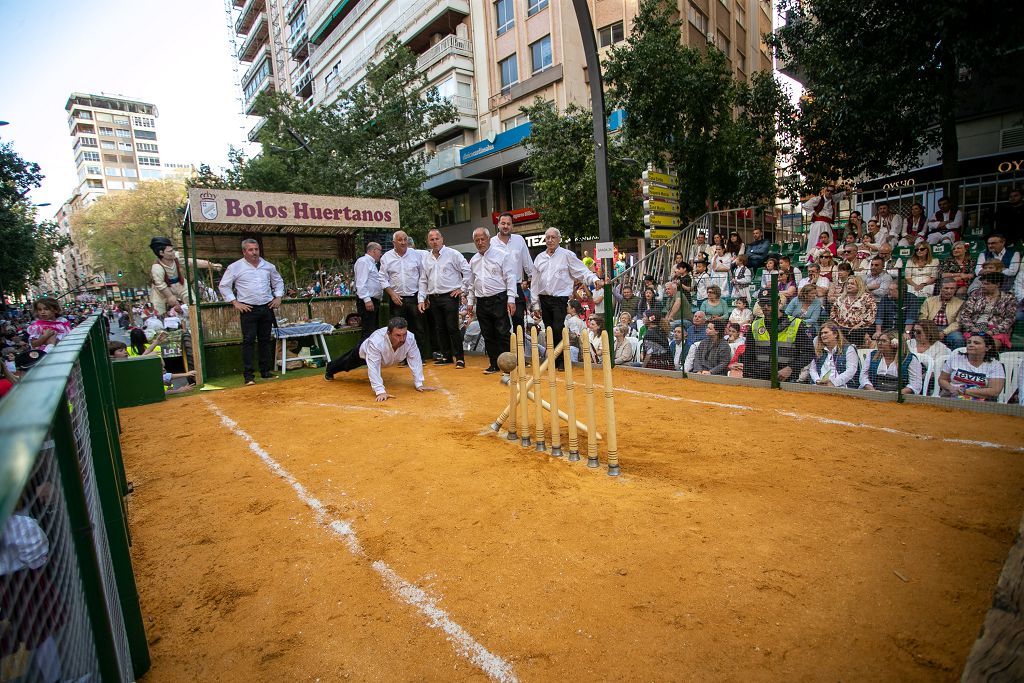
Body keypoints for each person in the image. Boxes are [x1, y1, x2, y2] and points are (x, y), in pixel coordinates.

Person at [217, 238, 285, 386]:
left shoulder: (268, 266)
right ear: (244, 251)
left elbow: (278, 281)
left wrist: (278, 296)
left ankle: (265, 371)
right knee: (248, 341)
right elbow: (224, 286)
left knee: (265, 340)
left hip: (266, 307)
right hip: (248, 308)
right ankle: (249, 375)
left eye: (256, 249)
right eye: (250, 250)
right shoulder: (235, 267)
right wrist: (235, 302)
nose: (254, 252)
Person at [531, 227, 603, 368]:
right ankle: (552, 360)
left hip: (560, 299)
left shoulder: (567, 255)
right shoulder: (539, 258)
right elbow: (534, 282)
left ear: (559, 239)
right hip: (544, 299)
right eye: (547, 237)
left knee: (558, 328)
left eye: (553, 237)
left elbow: (582, 271)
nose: (550, 240)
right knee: (549, 330)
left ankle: (562, 360)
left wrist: (594, 279)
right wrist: (535, 304)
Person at [323, 317, 435, 401]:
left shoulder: (410, 338)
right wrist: (380, 391)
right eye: (398, 335)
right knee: (346, 363)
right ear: (388, 333)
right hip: (364, 352)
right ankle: (330, 368)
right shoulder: (376, 342)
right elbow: (373, 367)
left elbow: (415, 359)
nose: (402, 339)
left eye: (404, 334)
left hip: (386, 358)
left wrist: (419, 383)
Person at [466, 227, 516, 374]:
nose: (480, 242)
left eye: (483, 239)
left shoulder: (502, 255)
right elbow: (471, 283)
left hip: (499, 298)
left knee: (502, 332)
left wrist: (511, 299)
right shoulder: (474, 260)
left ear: (489, 239)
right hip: (481, 300)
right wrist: (470, 302)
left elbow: (510, 278)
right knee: (488, 334)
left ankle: (507, 366)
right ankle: (493, 364)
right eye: (477, 240)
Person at [418, 229, 470, 368]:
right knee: (440, 328)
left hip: (450, 296)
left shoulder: (453, 254)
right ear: (428, 242)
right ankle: (446, 356)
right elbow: (423, 280)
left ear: (442, 239)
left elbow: (467, 271)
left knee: (452, 327)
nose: (434, 241)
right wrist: (421, 299)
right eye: (431, 239)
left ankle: (459, 358)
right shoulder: (426, 258)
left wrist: (462, 289)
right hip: (433, 297)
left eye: (437, 238)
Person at [742, 290, 814, 382]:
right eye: (762, 303)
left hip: (786, 379)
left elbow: (808, 353)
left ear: (779, 302)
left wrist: (791, 368)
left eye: (769, 303)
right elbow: (748, 355)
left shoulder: (796, 324)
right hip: (760, 378)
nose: (766, 307)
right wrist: (746, 378)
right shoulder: (755, 325)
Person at [148, 236, 222, 316]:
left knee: (193, 304)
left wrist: (211, 265)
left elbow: (191, 262)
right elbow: (161, 285)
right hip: (163, 290)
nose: (173, 252)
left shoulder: (176, 257)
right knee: (157, 311)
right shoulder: (156, 268)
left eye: (172, 250)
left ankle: (196, 321)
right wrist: (170, 296)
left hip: (180, 284)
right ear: (161, 253)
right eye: (170, 251)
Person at [379, 231, 426, 354]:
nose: (403, 242)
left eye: (405, 239)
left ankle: (419, 355)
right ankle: (401, 356)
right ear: (394, 242)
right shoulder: (386, 257)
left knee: (419, 327)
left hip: (414, 297)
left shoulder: (416, 255)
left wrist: (421, 298)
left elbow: (422, 277)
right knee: (398, 330)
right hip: (397, 298)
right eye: (400, 240)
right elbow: (382, 278)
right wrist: (392, 294)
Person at [491, 212, 533, 335]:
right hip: (498, 289)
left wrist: (532, 282)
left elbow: (528, 264)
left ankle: (520, 354)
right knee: (500, 324)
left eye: (508, 224)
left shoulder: (519, 240)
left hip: (516, 287)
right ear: (498, 225)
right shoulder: (491, 243)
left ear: (512, 226)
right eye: (503, 223)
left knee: (519, 323)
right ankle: (504, 353)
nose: (505, 226)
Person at [956, 272, 1016, 350]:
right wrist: (972, 328)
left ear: (997, 284)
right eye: (982, 283)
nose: (983, 286)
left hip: (996, 331)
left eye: (987, 284)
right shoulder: (975, 295)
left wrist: (993, 331)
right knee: (973, 344)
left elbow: (1009, 319)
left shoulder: (1008, 298)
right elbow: (964, 315)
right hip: (974, 329)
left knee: (990, 345)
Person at [938, 333, 1004, 401]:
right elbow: (942, 379)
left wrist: (965, 391)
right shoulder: (956, 358)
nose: (971, 345)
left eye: (976, 343)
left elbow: (995, 391)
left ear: (987, 348)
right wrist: (950, 388)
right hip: (952, 398)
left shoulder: (995, 365)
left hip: (981, 403)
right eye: (969, 342)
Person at [859, 329, 923, 394]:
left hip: (900, 396)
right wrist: (873, 391)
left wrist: (896, 394)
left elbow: (915, 384)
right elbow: (863, 377)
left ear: (895, 342)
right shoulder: (872, 355)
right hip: (874, 393)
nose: (879, 343)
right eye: (879, 341)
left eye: (884, 341)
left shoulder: (910, 359)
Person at [353, 242, 394, 342]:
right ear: (374, 250)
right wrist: (367, 299)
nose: (381, 254)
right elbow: (360, 283)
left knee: (373, 330)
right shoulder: (363, 261)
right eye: (380, 251)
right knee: (368, 331)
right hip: (367, 300)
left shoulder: (372, 264)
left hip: (374, 300)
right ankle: (363, 355)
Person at [809, 320, 860, 388]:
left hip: (842, 387)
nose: (823, 335)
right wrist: (817, 380)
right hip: (820, 386)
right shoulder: (818, 350)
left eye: (826, 332)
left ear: (835, 334)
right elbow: (812, 369)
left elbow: (851, 370)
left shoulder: (849, 349)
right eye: (821, 333)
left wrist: (834, 383)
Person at [801, 185, 848, 256]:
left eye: (831, 191)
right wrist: (814, 213)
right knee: (816, 241)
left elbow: (842, 194)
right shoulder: (818, 199)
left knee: (828, 242)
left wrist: (855, 191)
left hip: (827, 224)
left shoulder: (833, 199)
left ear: (833, 193)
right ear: (825, 191)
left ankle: (827, 257)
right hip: (818, 224)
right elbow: (806, 205)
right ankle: (812, 257)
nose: (829, 192)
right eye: (828, 190)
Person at [831, 276, 877, 347]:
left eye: (852, 284)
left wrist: (858, 326)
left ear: (859, 285)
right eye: (848, 284)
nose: (849, 285)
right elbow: (833, 313)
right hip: (842, 328)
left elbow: (871, 315)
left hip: (860, 329)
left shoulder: (867, 298)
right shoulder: (841, 298)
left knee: (856, 333)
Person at [918, 281, 964, 348]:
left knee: (958, 339)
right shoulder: (929, 301)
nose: (949, 291)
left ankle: (956, 357)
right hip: (931, 328)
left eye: (952, 288)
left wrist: (944, 332)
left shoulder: (960, 303)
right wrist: (930, 330)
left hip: (949, 329)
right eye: (946, 288)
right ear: (940, 288)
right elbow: (923, 318)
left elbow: (958, 323)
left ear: (955, 290)